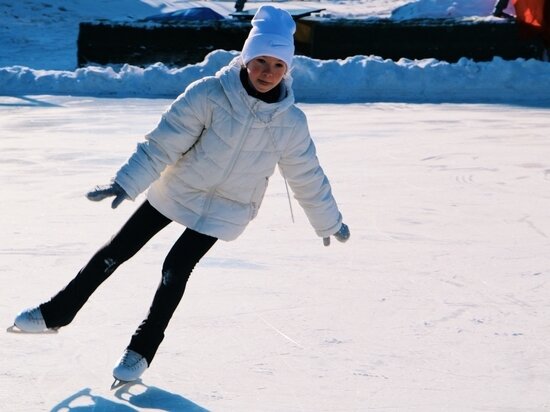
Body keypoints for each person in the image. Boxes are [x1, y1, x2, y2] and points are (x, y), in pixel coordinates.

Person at [10, 5, 350, 384]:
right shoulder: (209, 94)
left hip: (227, 208)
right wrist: (126, 181)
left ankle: (141, 349)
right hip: (179, 188)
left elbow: (307, 175)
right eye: (259, 62)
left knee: (175, 267)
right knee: (116, 250)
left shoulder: (290, 123)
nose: (266, 73)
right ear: (245, 58)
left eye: (276, 65)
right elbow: (163, 143)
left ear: (288, 70)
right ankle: (57, 312)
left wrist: (328, 221)